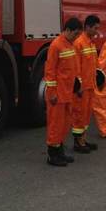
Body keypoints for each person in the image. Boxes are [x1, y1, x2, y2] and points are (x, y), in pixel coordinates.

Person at [44, 17, 83, 167]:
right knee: (56, 124)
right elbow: (50, 71)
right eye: (75, 34)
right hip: (58, 94)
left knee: (65, 124)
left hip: (67, 93)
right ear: (67, 30)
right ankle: (52, 155)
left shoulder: (70, 45)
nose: (76, 37)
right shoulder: (56, 46)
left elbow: (72, 69)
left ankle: (59, 150)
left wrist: (77, 86)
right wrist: (52, 93)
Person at [72, 15, 101, 154]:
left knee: (86, 114)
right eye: (95, 28)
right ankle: (78, 143)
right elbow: (76, 67)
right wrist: (79, 86)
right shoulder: (79, 43)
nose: (97, 31)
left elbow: (93, 65)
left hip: (90, 86)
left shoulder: (90, 42)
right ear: (88, 27)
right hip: (82, 88)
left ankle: (83, 140)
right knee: (79, 114)